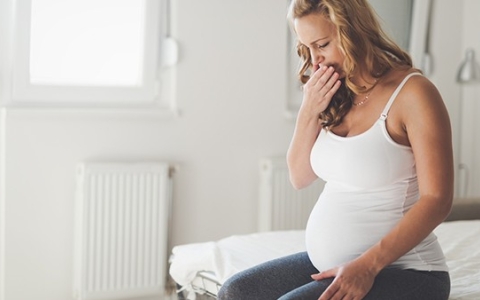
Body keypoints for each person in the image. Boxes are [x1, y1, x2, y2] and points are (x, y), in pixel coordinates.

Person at [218, 0, 454, 299]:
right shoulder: (337, 92)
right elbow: (299, 177)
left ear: (353, 31)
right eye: (307, 49)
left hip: (407, 272)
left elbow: (438, 199)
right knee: (236, 292)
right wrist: (309, 110)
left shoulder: (414, 94)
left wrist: (367, 267)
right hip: (338, 264)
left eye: (323, 45)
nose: (315, 61)